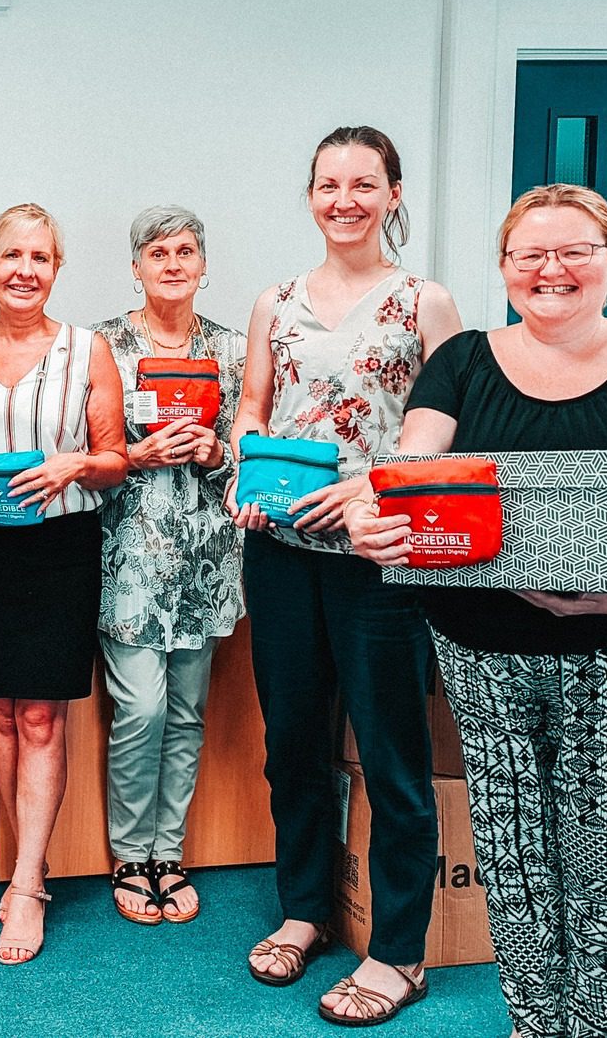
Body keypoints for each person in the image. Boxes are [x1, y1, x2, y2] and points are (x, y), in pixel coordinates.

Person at [347, 184, 607, 1038]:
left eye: (574, 251)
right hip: (483, 643)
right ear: (505, 266)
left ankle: (601, 1027)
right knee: (513, 849)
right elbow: (414, 476)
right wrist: (379, 518)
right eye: (529, 255)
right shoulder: (463, 363)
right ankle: (533, 1020)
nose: (550, 270)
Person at [229, 126, 461, 1025]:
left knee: (394, 758)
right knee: (291, 744)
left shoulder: (423, 302)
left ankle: (399, 951)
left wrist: (365, 489)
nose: (344, 200)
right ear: (312, 196)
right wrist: (247, 479)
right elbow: (251, 408)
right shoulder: (275, 301)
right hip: (281, 553)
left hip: (382, 562)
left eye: (364, 184)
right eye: (328, 184)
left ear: (393, 195)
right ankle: (304, 910)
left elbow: (451, 433)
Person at [0, 203, 127, 965]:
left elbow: (116, 457)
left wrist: (74, 464)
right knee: (0, 713)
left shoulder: (89, 351)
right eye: (12, 255)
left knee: (43, 715)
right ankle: (30, 861)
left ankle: (27, 883)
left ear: (57, 268)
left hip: (60, 549)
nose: (24, 270)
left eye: (40, 258)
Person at [90, 205, 244, 926]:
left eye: (186, 250)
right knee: (141, 707)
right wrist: (134, 456)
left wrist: (219, 456)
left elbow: (254, 458)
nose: (173, 262)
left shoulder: (235, 350)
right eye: (158, 251)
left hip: (208, 562)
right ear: (136, 266)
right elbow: (84, 451)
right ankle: (129, 852)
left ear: (204, 264)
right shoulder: (104, 345)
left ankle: (168, 853)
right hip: (130, 556)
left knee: (186, 714)